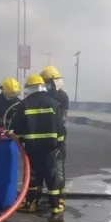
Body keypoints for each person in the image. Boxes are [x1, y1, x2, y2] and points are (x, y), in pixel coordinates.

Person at [10, 74, 63, 217]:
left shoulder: (24, 104)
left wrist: (16, 138)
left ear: (29, 88)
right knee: (52, 177)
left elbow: (17, 128)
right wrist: (60, 144)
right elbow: (60, 127)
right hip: (50, 147)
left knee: (33, 177)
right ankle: (55, 207)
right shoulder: (53, 103)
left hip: (32, 147)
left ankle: (31, 203)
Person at [40, 66, 69, 204]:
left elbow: (63, 118)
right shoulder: (43, 95)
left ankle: (60, 194)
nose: (45, 83)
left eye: (47, 81)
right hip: (42, 136)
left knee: (57, 166)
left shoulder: (62, 96)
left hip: (58, 137)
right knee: (41, 166)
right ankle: (39, 194)